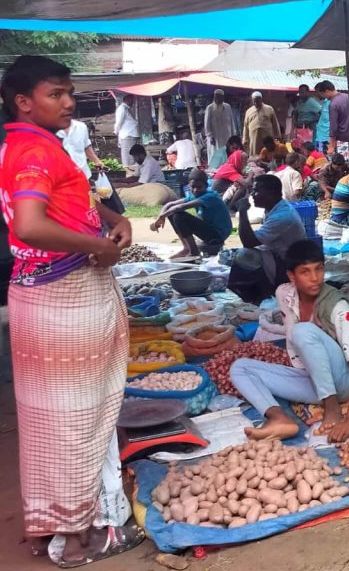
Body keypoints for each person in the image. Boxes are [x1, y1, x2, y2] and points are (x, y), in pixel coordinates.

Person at [0, 56, 143, 566]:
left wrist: (110, 218)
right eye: (56, 94)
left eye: (68, 93)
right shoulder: (34, 150)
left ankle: (52, 525)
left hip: (42, 294)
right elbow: (31, 226)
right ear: (23, 101)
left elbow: (74, 200)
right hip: (66, 298)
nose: (68, 102)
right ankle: (80, 533)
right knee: (80, 418)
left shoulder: (30, 145)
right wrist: (98, 246)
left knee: (50, 419)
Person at [230, 239, 349, 443]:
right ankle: (279, 419)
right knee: (240, 368)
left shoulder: (337, 306)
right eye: (305, 272)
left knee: (301, 332)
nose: (315, 278)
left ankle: (332, 409)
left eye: (319, 269)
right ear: (291, 276)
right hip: (312, 379)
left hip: (341, 381)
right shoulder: (284, 294)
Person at [230, 174, 307, 303]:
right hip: (281, 256)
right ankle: (254, 293)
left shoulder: (282, 216)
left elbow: (248, 242)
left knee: (245, 255)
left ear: (272, 192)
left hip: (291, 265)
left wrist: (243, 212)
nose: (253, 195)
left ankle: (262, 294)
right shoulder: (275, 208)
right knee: (241, 256)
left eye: (256, 190)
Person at [150, 169, 233, 258]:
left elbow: (180, 207)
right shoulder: (196, 195)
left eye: (199, 187)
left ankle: (194, 251)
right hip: (209, 231)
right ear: (189, 186)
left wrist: (163, 216)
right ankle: (186, 247)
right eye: (193, 187)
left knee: (179, 216)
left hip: (217, 236)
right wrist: (159, 218)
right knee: (172, 213)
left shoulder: (210, 196)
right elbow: (170, 204)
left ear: (206, 186)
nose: (195, 190)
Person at [203, 88, 237, 169]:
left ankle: (227, 169)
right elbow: (206, 124)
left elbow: (232, 122)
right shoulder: (209, 108)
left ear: (222, 98)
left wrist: (234, 136)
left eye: (219, 97)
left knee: (227, 154)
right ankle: (215, 171)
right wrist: (210, 136)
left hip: (227, 137)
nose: (217, 99)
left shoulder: (227, 107)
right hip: (215, 138)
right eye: (215, 97)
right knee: (215, 155)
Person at [242, 91, 282, 158]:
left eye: (257, 101)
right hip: (254, 138)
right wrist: (245, 139)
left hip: (267, 136)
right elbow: (246, 126)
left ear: (261, 99)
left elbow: (275, 123)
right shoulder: (249, 111)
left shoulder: (269, 109)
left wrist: (278, 135)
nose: (256, 103)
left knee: (268, 152)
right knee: (255, 154)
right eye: (254, 101)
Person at [212, 135, 249, 204]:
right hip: (219, 197)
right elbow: (246, 182)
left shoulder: (234, 162)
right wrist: (251, 173)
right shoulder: (229, 168)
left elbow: (246, 167)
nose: (235, 150)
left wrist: (249, 170)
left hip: (225, 192)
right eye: (234, 148)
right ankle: (230, 208)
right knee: (242, 187)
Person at [113, 93, 139, 168]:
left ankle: (132, 171)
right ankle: (129, 172)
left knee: (132, 155)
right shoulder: (122, 109)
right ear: (128, 100)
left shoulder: (126, 109)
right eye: (132, 100)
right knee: (128, 156)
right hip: (127, 135)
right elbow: (119, 122)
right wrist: (116, 131)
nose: (133, 102)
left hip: (131, 134)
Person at [313, 81, 332, 153]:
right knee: (320, 157)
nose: (317, 94)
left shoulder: (331, 102)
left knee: (328, 156)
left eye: (318, 92)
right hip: (320, 135)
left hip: (327, 136)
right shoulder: (324, 102)